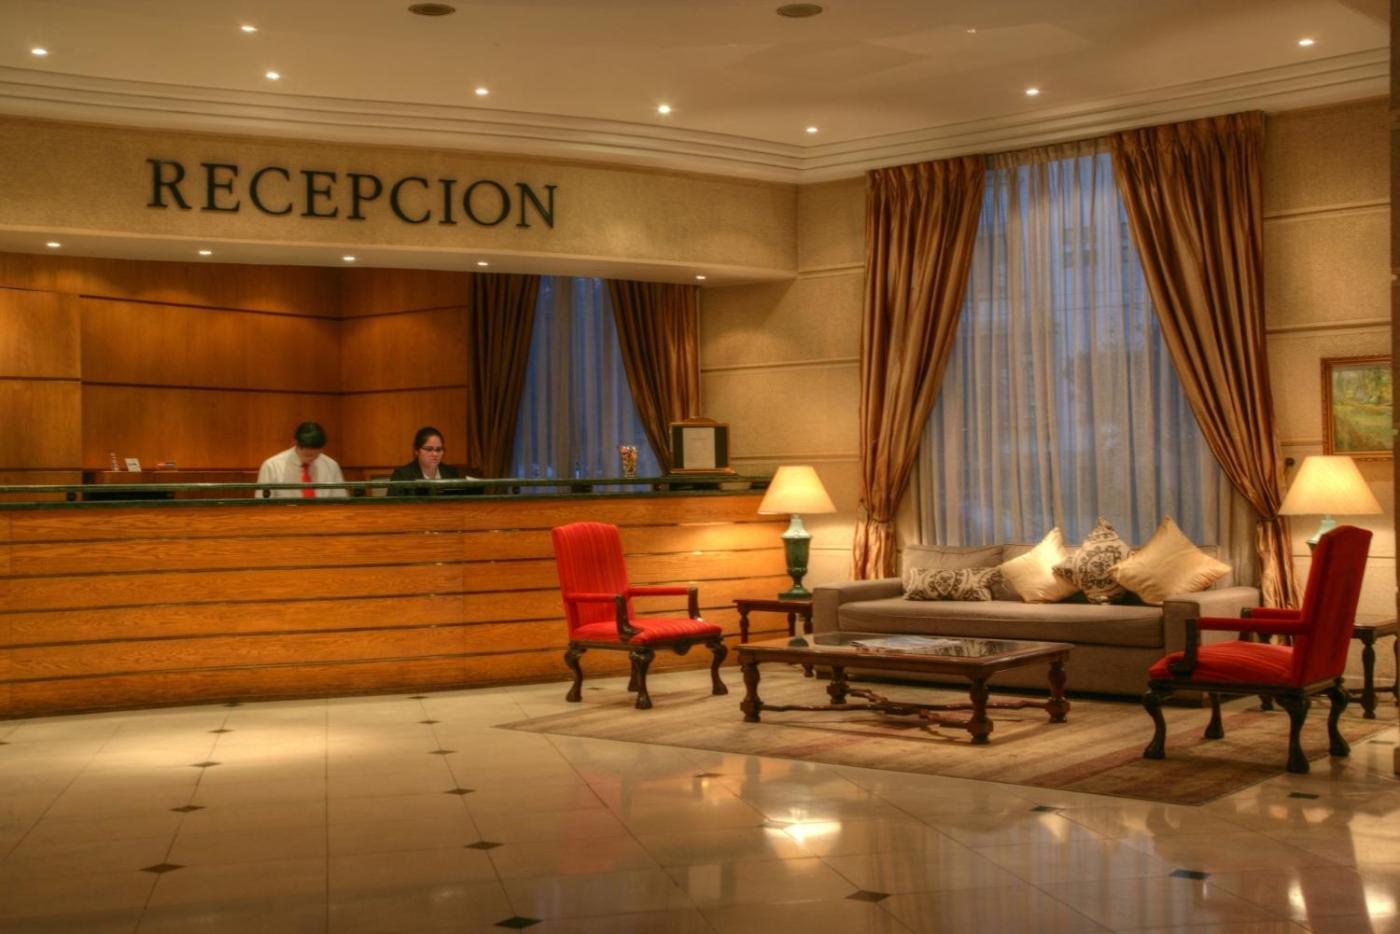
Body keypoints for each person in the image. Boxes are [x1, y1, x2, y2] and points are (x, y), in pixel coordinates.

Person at [256, 421, 348, 498]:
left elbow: (340, 501)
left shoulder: (331, 466)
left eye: (316, 455)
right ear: (295, 443)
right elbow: (262, 504)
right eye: (306, 455)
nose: (310, 459)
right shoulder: (272, 466)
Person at [388, 426, 461, 496]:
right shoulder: (402, 476)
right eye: (429, 449)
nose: (435, 454)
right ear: (416, 450)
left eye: (438, 449)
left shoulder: (451, 473)